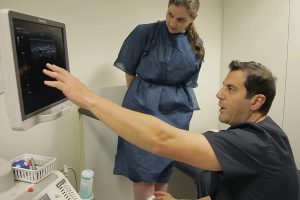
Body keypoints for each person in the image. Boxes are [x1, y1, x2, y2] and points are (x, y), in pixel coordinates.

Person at [43, 60, 299, 200]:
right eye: (223, 86)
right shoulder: (258, 134)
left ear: (256, 101)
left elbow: (160, 139)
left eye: (231, 89)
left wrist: (88, 97)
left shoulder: (256, 142)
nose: (219, 94)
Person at [113, 0, 205, 199]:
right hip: (141, 109)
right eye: (170, 14)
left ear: (193, 19)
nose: (172, 22)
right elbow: (130, 71)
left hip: (176, 115)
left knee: (163, 177)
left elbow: (189, 83)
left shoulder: (195, 45)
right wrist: (144, 98)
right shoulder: (145, 32)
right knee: (143, 177)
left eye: (180, 19)